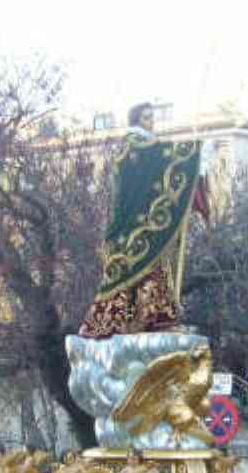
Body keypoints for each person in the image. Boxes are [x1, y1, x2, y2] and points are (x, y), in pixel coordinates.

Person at [79, 102, 210, 338]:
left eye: (152, 117)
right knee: (136, 267)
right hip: (133, 223)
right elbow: (161, 156)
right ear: (137, 120)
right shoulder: (137, 146)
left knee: (153, 268)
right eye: (147, 118)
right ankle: (127, 320)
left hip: (140, 222)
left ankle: (154, 317)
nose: (152, 122)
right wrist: (196, 149)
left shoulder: (137, 147)